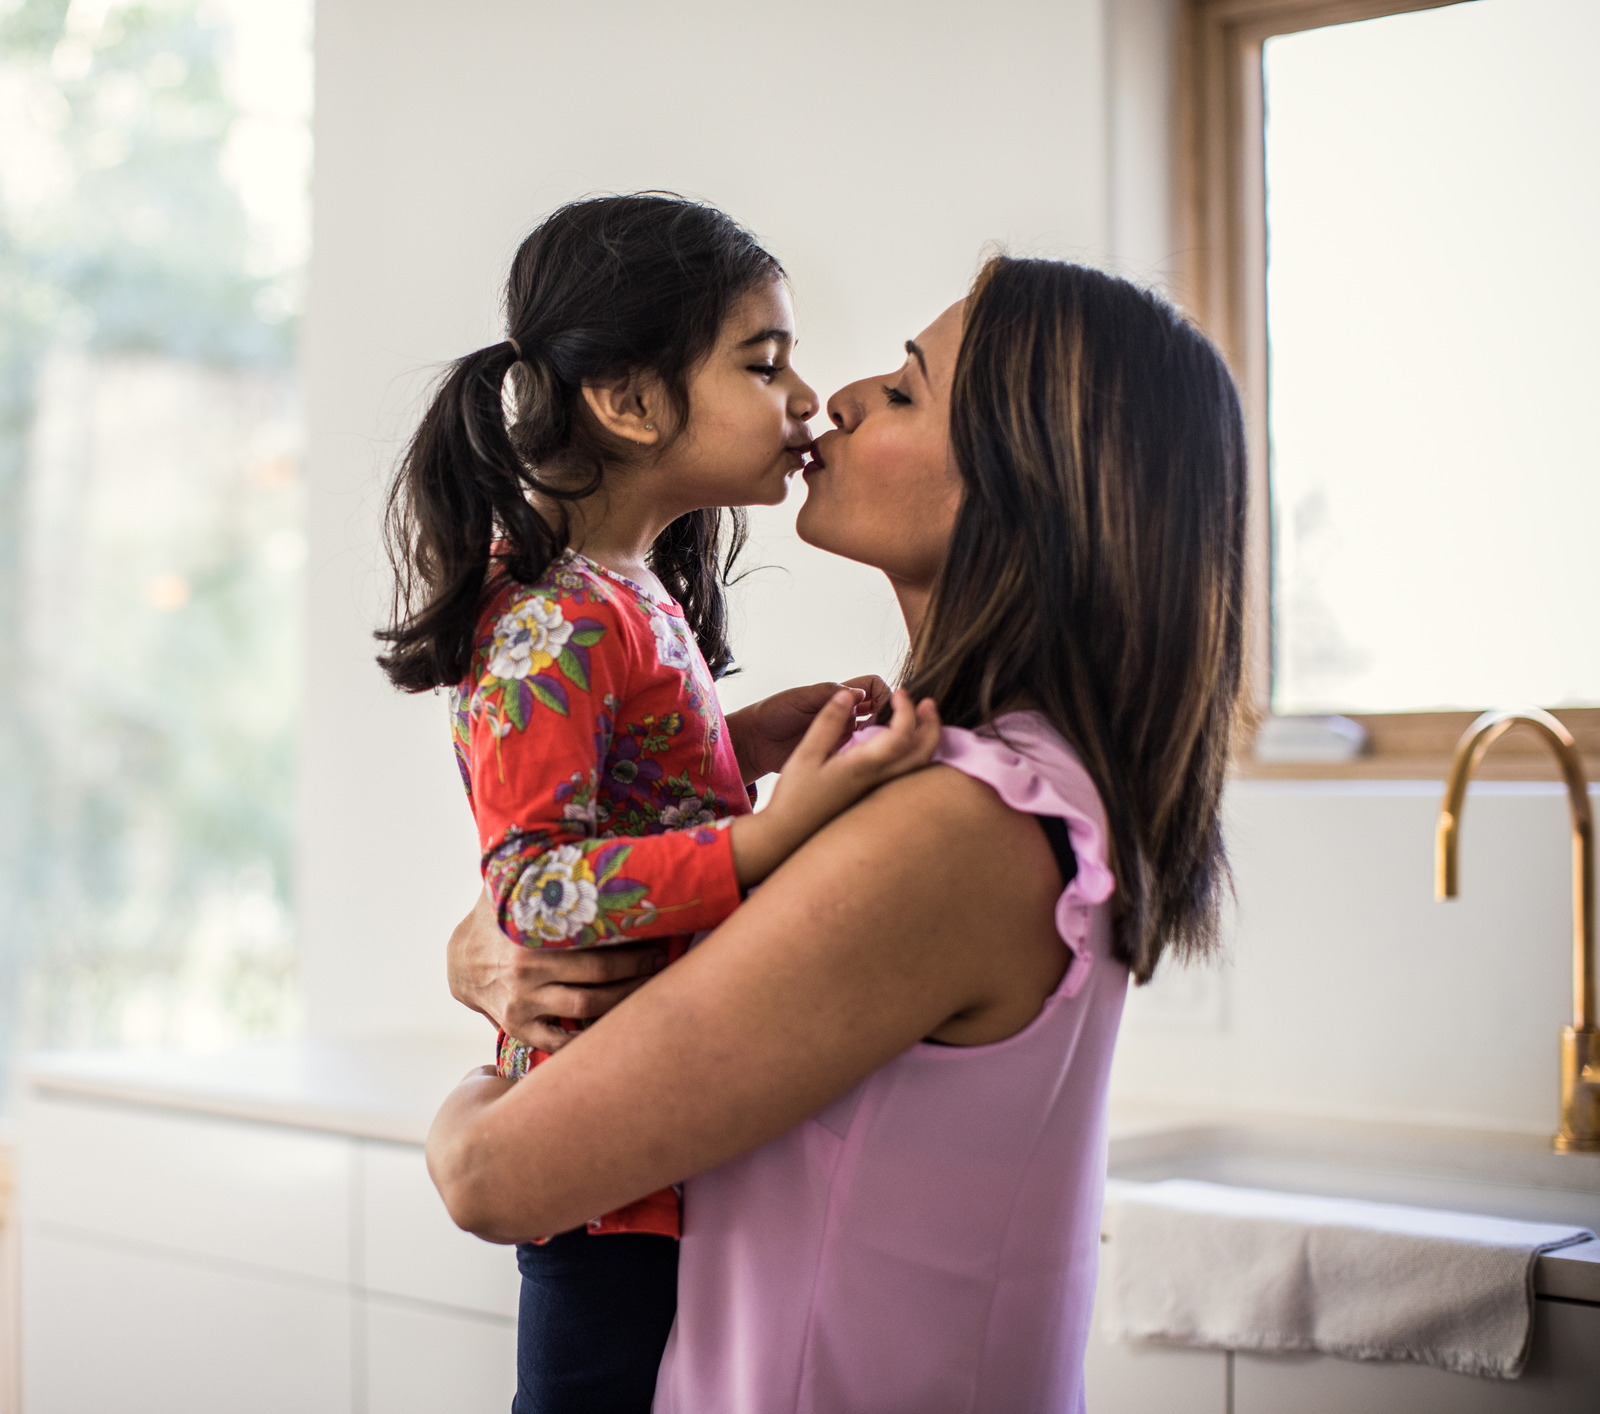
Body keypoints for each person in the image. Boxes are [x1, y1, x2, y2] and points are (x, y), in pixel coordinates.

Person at [427, 255, 1248, 1413]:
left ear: (1024, 492)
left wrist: (474, 1087)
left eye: (906, 391)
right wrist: (494, 943)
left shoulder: (954, 828)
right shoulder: (994, 785)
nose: (838, 399)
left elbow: (493, 1176)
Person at [374, 193, 940, 1414]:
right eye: (764, 361)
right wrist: (765, 833)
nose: (806, 399)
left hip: (659, 1132)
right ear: (628, 402)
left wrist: (751, 744)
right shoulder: (546, 620)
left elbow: (621, 809)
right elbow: (535, 885)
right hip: (602, 1164)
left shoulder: (622, 591)